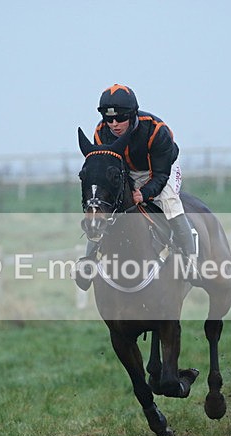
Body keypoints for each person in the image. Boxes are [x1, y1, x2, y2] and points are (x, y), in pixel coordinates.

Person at [76, 83, 197, 290]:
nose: (114, 124)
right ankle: (89, 261)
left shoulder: (156, 131)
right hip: (127, 171)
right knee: (103, 208)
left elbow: (160, 175)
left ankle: (191, 261)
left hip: (161, 169)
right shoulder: (101, 132)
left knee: (170, 202)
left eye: (120, 118)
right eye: (109, 119)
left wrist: (144, 194)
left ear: (132, 115)